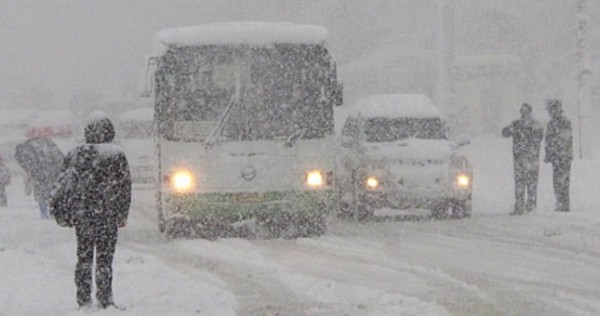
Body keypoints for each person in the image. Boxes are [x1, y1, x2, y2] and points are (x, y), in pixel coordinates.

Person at [59, 112, 131, 309]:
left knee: (83, 257)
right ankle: (105, 298)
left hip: (83, 214)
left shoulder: (75, 154)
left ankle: (83, 299)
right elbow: (124, 186)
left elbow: (64, 184)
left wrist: (69, 211)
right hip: (107, 214)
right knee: (104, 258)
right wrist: (122, 213)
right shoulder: (115, 154)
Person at [502, 103, 544, 215]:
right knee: (524, 183)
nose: (524, 114)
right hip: (526, 158)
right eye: (523, 112)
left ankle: (527, 206)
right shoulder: (522, 124)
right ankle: (524, 206)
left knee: (527, 183)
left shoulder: (528, 125)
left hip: (526, 158)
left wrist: (520, 132)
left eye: (526, 112)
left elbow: (538, 138)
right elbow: (505, 132)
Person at [14, 137, 64, 218]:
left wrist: (32, 171)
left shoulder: (28, 149)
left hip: (40, 176)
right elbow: (60, 160)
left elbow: (25, 163)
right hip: (50, 175)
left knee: (41, 193)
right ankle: (51, 211)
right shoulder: (49, 148)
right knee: (50, 192)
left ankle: (44, 212)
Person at [544, 99, 573, 212]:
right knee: (556, 180)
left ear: (558, 109)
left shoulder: (565, 121)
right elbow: (548, 140)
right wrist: (548, 153)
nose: (551, 112)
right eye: (550, 110)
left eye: (552, 109)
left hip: (563, 156)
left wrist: (559, 150)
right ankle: (559, 201)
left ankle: (564, 204)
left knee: (563, 180)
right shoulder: (551, 123)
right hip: (556, 156)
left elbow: (566, 138)